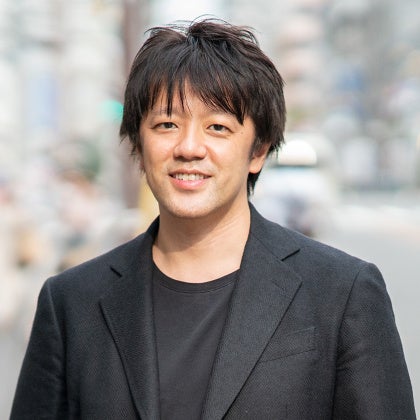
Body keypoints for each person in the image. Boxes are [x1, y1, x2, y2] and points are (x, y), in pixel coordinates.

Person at [11, 19, 416, 420]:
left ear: (258, 150)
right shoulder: (71, 303)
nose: (189, 147)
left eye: (217, 127)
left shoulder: (342, 294)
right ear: (138, 144)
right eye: (166, 124)